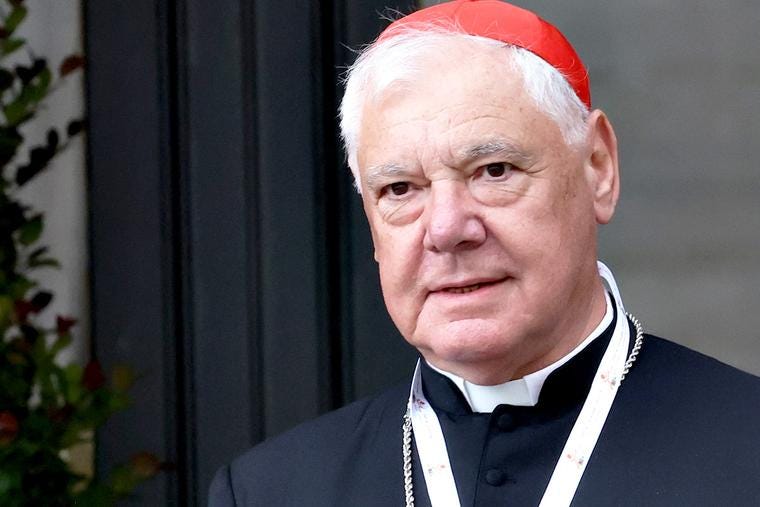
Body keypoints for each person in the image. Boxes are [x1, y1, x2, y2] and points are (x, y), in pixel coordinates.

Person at [209, 1, 760, 505]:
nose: (447, 230)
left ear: (598, 168)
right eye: (400, 189)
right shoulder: (269, 490)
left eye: (493, 171)